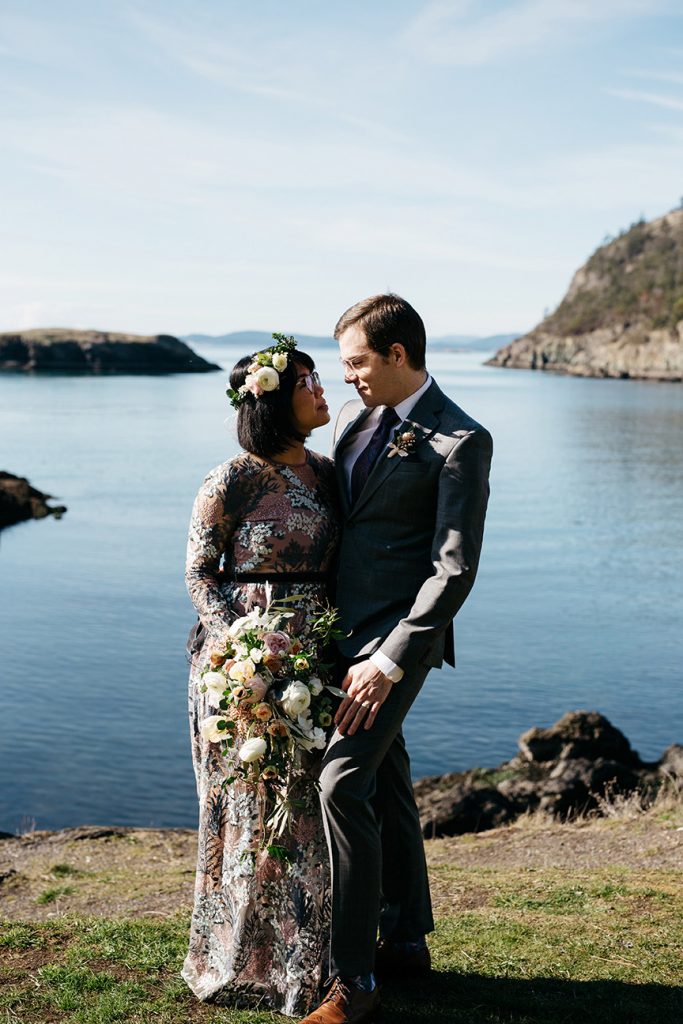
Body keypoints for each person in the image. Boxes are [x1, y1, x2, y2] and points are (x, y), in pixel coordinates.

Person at [301, 294, 493, 1024]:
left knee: (342, 782)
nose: (346, 376)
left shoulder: (459, 440)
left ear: (397, 356)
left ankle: (353, 983)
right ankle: (406, 940)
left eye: (354, 362)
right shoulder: (354, 421)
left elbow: (453, 569)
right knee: (385, 781)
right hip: (336, 637)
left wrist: (388, 659)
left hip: (396, 645)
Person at [182, 337, 339, 1015]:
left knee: (307, 814)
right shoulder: (233, 479)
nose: (321, 390)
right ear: (274, 400)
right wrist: (241, 650)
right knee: (245, 810)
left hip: (318, 662)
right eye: (307, 381)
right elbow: (199, 573)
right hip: (242, 668)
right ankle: (239, 960)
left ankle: (309, 963)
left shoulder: (329, 475)